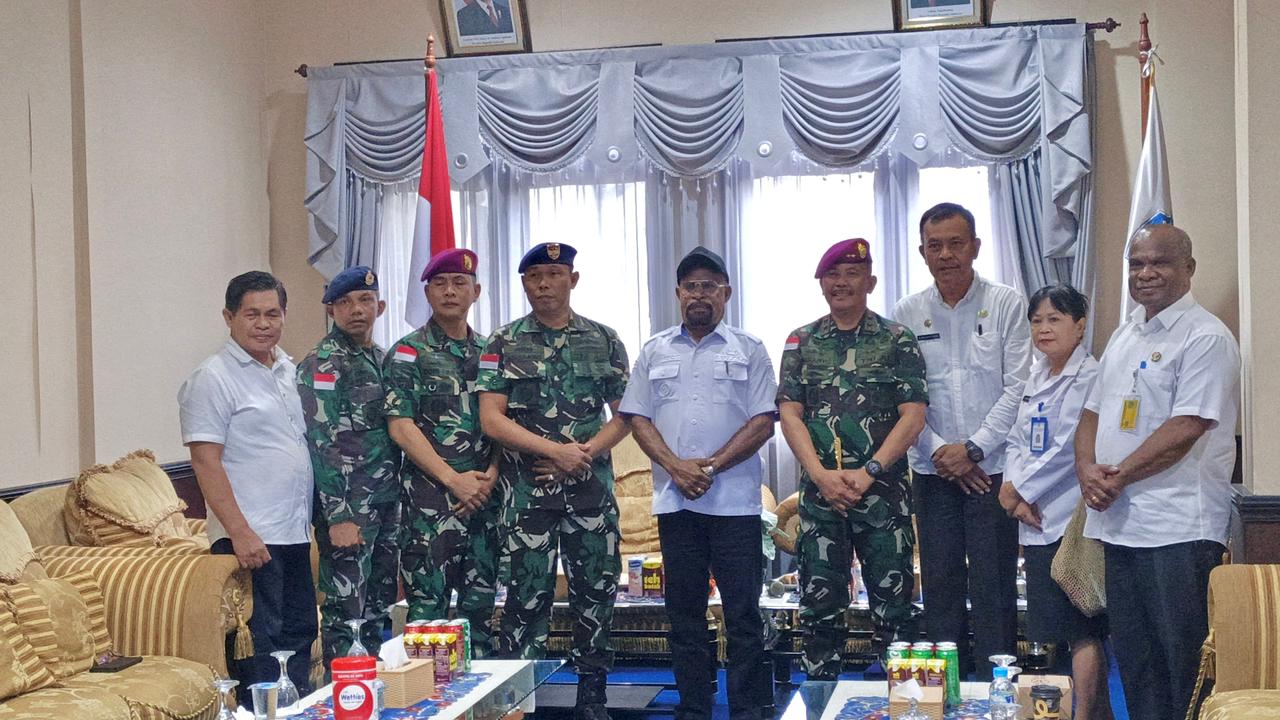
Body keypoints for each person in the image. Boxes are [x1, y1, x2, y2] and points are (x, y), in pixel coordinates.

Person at [1075, 223, 1239, 720]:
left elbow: (1188, 425)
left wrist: (1117, 475)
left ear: (1188, 268)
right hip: (1121, 526)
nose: (1145, 273)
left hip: (1179, 531)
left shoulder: (1205, 336)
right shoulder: (1126, 333)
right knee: (1137, 665)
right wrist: (1086, 469)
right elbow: (1091, 412)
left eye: (1159, 262)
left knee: (1184, 665)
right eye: (1136, 263)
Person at [620, 247, 777, 720]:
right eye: (691, 286)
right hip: (677, 505)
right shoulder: (655, 350)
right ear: (678, 294)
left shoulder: (749, 349)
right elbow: (638, 417)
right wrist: (676, 466)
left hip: (735, 506)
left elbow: (763, 421)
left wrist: (709, 467)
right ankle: (693, 708)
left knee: (743, 615)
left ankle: (748, 710)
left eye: (709, 286)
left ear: (726, 293)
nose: (699, 294)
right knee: (684, 615)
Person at [477, 242, 631, 720]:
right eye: (534, 277)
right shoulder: (502, 342)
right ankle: (519, 703)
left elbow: (626, 414)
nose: (544, 284)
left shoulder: (605, 340)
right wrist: (554, 451)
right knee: (525, 602)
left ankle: (593, 699)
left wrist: (583, 453)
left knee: (596, 597)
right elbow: (492, 419)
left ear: (573, 279)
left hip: (590, 493)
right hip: (528, 499)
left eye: (554, 274)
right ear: (524, 284)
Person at [890, 202, 1030, 678]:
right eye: (935, 246)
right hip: (932, 472)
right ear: (922, 252)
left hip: (992, 472)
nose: (946, 254)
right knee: (941, 586)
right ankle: (945, 692)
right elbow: (903, 398)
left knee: (994, 586)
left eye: (955, 243)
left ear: (975, 247)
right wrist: (939, 452)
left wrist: (972, 451)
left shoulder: (1007, 303)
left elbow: (1018, 387)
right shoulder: (907, 312)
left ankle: (996, 689)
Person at [779, 238, 928, 678]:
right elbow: (789, 413)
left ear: (871, 282)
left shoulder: (897, 340)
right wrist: (820, 476)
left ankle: (904, 700)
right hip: (821, 495)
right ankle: (820, 694)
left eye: (852, 273)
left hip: (882, 494)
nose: (841, 282)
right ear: (821, 283)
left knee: (894, 609)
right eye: (832, 274)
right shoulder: (801, 341)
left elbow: (914, 416)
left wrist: (869, 472)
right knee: (819, 608)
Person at [178, 271, 316, 703]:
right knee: (261, 643)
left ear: (284, 316)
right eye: (252, 314)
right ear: (229, 317)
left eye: (272, 314)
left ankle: (297, 712)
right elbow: (205, 461)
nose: (263, 324)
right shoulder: (212, 377)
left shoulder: (289, 369)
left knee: (300, 631)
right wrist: (239, 531)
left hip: (294, 531)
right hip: (250, 537)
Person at [999, 284, 1111, 720]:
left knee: (1082, 627)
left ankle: (1084, 715)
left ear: (1080, 326)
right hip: (1034, 517)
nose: (1043, 329)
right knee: (1056, 630)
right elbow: (1016, 439)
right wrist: (1013, 491)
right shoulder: (1037, 374)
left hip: (1071, 516)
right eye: (1037, 321)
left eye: (1054, 319)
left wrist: (1020, 491)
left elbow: (1069, 448)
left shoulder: (1089, 376)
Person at [384, 249, 502, 657]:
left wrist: (489, 477)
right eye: (440, 283)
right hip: (430, 507)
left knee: (480, 616)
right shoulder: (408, 353)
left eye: (459, 283)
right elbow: (400, 426)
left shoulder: (492, 353)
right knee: (426, 622)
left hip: (484, 503)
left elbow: (503, 423)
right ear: (427, 293)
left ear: (476, 292)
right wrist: (454, 480)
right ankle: (424, 695)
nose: (450, 291)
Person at [296, 266, 401, 670]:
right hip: (349, 509)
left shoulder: (383, 359)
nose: (356, 309)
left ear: (380, 306)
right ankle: (343, 694)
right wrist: (338, 516)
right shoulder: (323, 364)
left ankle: (371, 689)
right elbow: (320, 444)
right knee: (346, 611)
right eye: (345, 302)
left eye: (365, 300)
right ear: (331, 310)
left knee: (377, 607)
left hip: (386, 504)